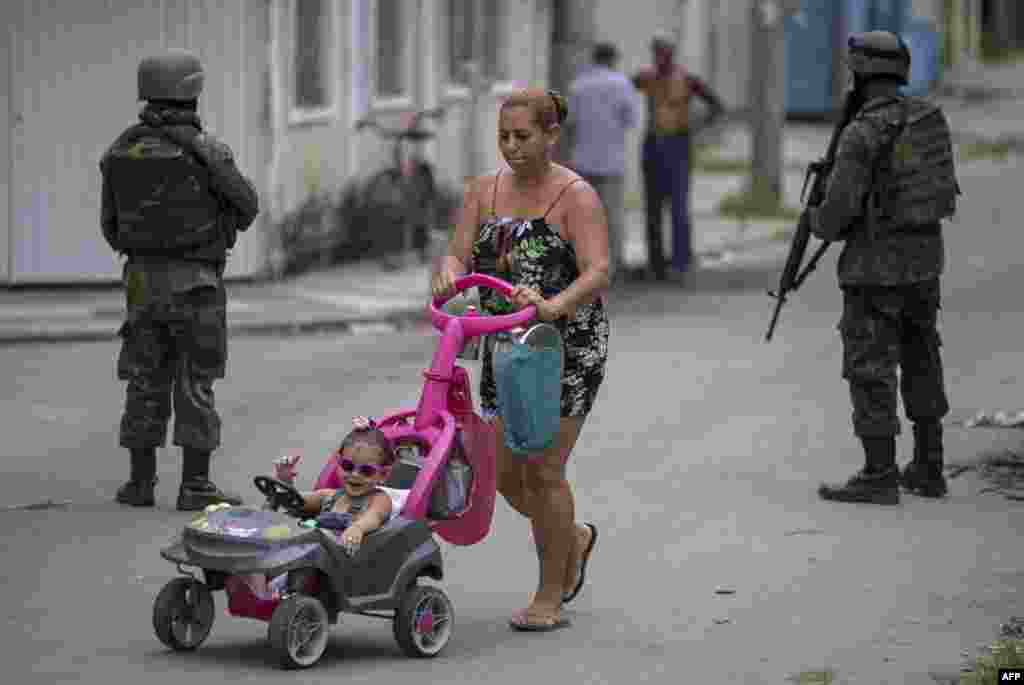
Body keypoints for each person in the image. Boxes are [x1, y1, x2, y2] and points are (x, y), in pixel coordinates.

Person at [431, 88, 609, 631]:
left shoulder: (575, 196)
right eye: (504, 136)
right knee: (503, 474)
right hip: (503, 346)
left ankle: (549, 596)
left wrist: (554, 305)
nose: (511, 147)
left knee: (544, 470)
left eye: (524, 136)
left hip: (563, 349)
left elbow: (598, 270)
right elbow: (458, 251)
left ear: (552, 135)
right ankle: (570, 539)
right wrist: (447, 268)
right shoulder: (483, 191)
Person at [101, 49, 260, 511]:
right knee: (195, 379)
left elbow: (110, 227)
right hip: (197, 282)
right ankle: (194, 486)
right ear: (193, 90)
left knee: (144, 376)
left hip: (141, 282)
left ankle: (139, 483)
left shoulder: (119, 150)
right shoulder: (206, 150)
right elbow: (247, 205)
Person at [811, 32, 959, 505]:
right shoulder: (928, 118)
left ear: (859, 74)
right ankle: (929, 466)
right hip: (924, 264)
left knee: (870, 365)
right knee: (922, 354)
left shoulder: (862, 132)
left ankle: (879, 473)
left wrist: (814, 217)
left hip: (874, 270)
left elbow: (834, 219)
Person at [632, 30, 724, 282]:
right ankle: (656, 263)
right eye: (656, 52)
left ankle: (681, 263)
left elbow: (716, 106)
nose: (659, 57)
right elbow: (625, 92)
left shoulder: (687, 79)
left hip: (678, 144)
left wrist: (698, 126)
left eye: (663, 52)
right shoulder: (645, 78)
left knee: (679, 208)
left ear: (671, 55)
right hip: (652, 145)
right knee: (652, 208)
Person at [270, 417, 398, 553]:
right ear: (338, 464)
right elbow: (295, 501)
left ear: (383, 475)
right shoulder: (329, 496)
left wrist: (358, 528)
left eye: (366, 471)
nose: (355, 474)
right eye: (347, 466)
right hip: (307, 548)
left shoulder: (379, 499)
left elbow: (374, 516)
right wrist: (284, 481)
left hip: (343, 563)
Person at [568, 42, 640, 281]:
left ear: (594, 58)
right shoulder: (622, 84)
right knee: (612, 215)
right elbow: (630, 119)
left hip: (584, 160)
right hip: (612, 161)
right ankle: (613, 265)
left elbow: (570, 124)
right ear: (613, 60)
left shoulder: (578, 86)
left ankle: (584, 266)